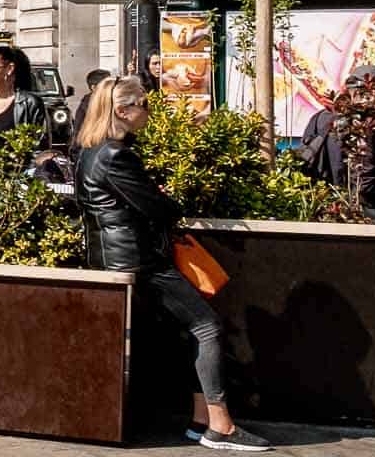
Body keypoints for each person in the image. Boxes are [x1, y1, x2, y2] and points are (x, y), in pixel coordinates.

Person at [76, 75, 270, 451]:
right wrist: (165, 199)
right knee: (207, 326)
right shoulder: (116, 155)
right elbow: (158, 208)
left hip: (116, 258)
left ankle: (202, 421)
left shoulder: (91, 150)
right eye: (144, 104)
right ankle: (221, 426)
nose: (149, 111)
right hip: (139, 260)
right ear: (122, 110)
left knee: (191, 331)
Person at [298, 65, 375, 224]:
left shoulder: (321, 118)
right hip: (356, 217)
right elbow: (365, 187)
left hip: (320, 209)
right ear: (370, 94)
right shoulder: (363, 125)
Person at [70, 68, 111, 144]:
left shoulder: (108, 101)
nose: (111, 87)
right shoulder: (89, 103)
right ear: (93, 88)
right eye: (107, 85)